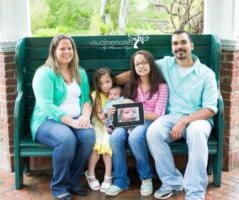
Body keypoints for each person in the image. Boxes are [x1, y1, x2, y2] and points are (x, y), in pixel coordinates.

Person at [145, 30, 218, 199]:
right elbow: (139, 71)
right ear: (172, 48)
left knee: (197, 132)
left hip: (198, 118)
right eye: (175, 43)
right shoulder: (165, 65)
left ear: (191, 45)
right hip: (172, 117)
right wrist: (112, 81)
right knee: (153, 132)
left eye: (183, 42)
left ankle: (195, 192)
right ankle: (172, 182)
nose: (179, 46)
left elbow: (210, 109)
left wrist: (185, 121)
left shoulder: (206, 74)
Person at [30, 35, 95, 200]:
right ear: (53, 51)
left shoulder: (79, 72)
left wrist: (85, 117)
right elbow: (46, 105)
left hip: (75, 119)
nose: (67, 51)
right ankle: (60, 188)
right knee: (66, 139)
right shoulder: (45, 73)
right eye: (62, 48)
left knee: (88, 135)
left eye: (69, 48)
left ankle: (73, 178)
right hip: (47, 121)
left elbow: (86, 99)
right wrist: (71, 122)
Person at [105, 50, 168, 197]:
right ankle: (120, 181)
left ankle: (146, 178)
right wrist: (115, 111)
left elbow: (158, 115)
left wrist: (134, 109)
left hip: (148, 120)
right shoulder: (132, 84)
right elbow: (123, 105)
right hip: (128, 120)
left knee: (135, 137)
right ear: (134, 67)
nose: (141, 66)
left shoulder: (161, 87)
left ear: (151, 64)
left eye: (144, 62)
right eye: (137, 64)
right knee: (115, 137)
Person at [85, 68, 117, 193]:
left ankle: (108, 174)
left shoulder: (115, 93)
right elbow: (100, 117)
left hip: (111, 124)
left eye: (108, 82)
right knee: (99, 143)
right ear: (97, 84)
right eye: (101, 83)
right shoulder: (96, 95)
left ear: (112, 80)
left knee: (108, 142)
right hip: (100, 124)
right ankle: (90, 173)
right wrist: (111, 125)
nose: (105, 86)